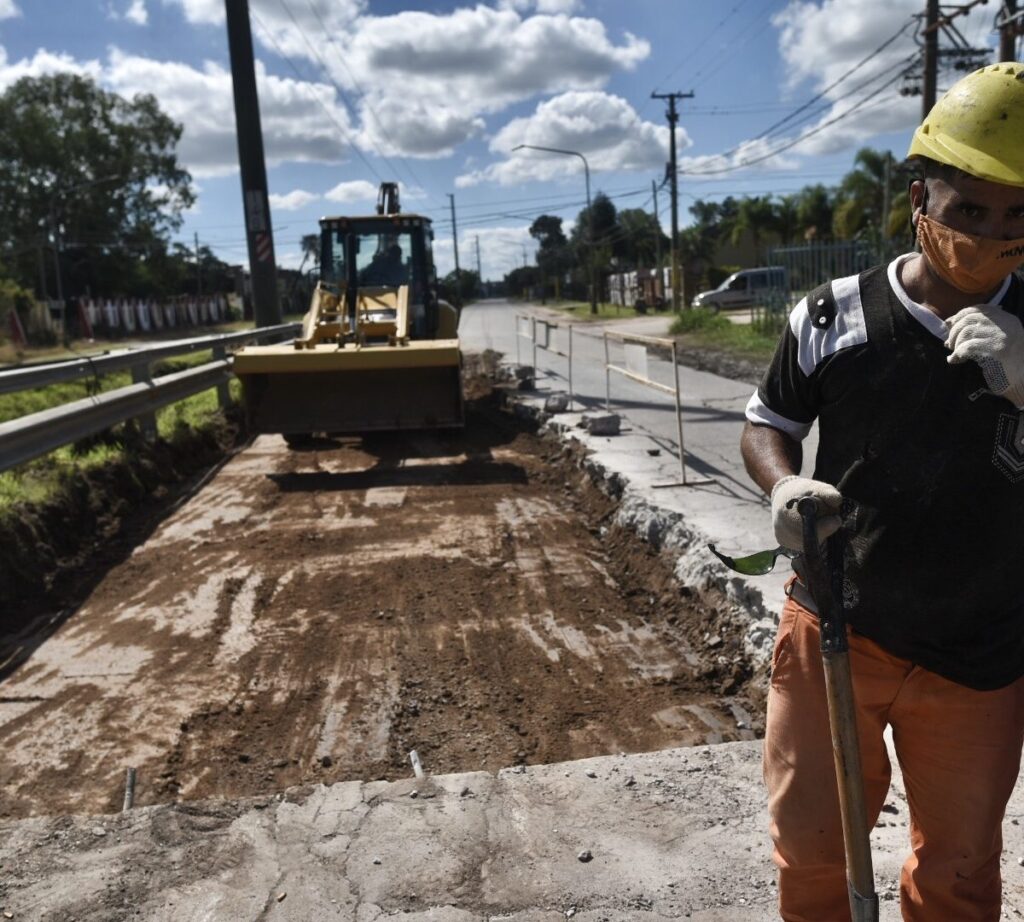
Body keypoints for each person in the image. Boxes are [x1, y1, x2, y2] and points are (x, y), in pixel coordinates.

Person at [740, 62, 1024, 921]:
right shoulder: (831, 318)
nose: (989, 232)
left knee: (960, 876)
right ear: (919, 200)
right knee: (819, 858)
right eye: (967, 208)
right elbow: (767, 420)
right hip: (837, 624)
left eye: (1018, 214)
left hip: (980, 653)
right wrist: (783, 481)